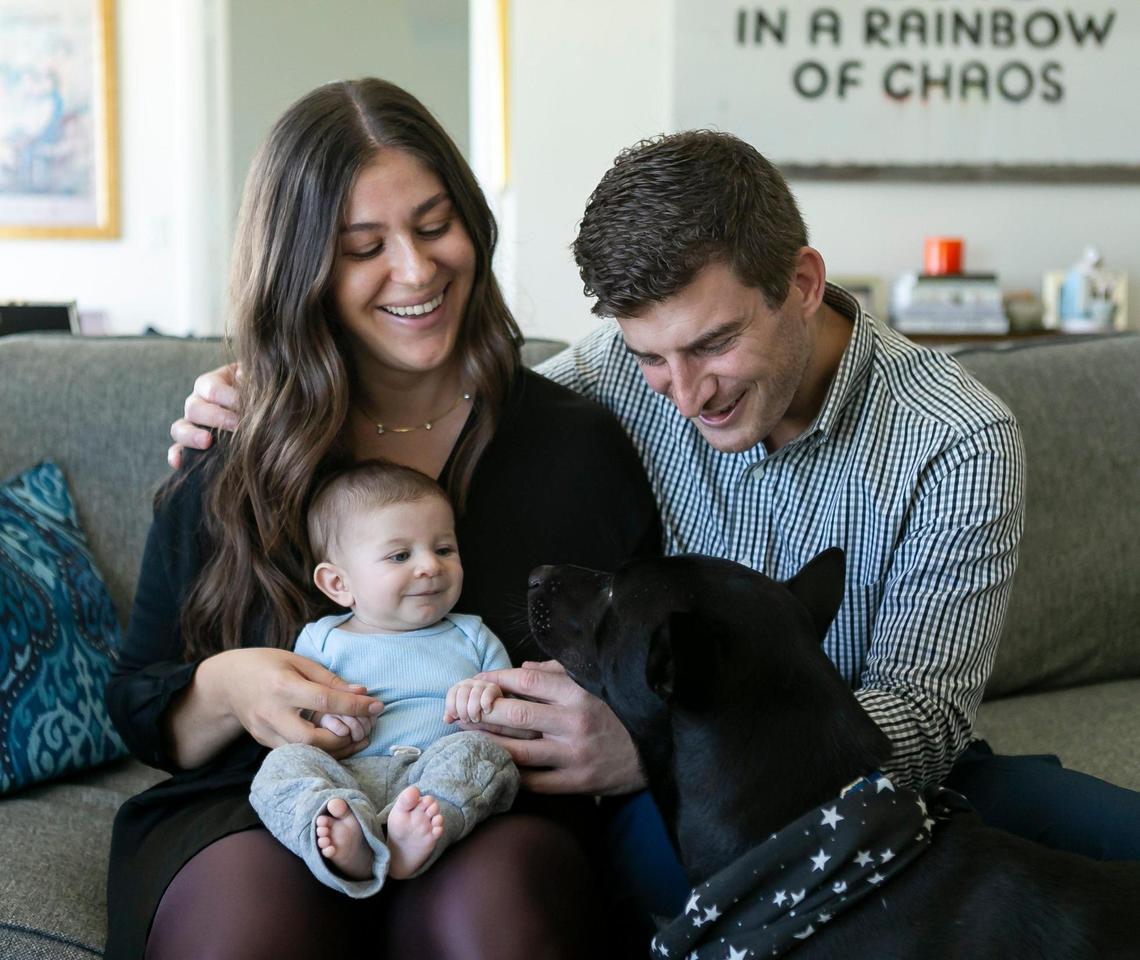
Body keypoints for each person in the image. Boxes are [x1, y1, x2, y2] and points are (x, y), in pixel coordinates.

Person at [173, 128, 1140, 922]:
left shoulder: (957, 439)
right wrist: (261, 397)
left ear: (802, 282)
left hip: (873, 778)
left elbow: (922, 721)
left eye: (716, 343)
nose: (687, 395)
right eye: (651, 359)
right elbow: (435, 426)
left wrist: (664, 742)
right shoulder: (597, 386)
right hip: (678, 811)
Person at [106, 77, 660, 960]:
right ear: (303, 270)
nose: (415, 269)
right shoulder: (238, 442)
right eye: (365, 246)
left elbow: (647, 677)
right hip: (260, 804)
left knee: (490, 917)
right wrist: (227, 689)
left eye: (435, 226)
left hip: (486, 804)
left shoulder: (574, 447)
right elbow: (140, 703)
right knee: (249, 930)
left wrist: (618, 729)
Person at [249, 460, 520, 897]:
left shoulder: (472, 634)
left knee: (484, 753)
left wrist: (487, 695)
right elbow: (296, 714)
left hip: (436, 776)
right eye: (400, 555)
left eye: (445, 549)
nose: (430, 566)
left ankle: (420, 836)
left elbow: (512, 719)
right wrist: (325, 723)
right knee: (280, 767)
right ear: (338, 583)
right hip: (346, 775)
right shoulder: (321, 640)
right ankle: (345, 835)